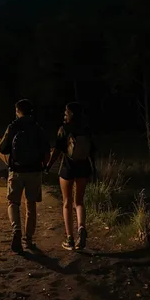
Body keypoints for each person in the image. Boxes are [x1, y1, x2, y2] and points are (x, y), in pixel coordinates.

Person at [0, 99, 50, 252]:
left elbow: (2, 148)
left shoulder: (13, 127)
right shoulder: (37, 128)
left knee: (13, 203)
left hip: (16, 170)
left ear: (18, 111)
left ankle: (16, 230)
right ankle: (28, 239)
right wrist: (44, 166)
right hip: (34, 171)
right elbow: (46, 151)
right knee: (31, 204)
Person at [46, 102, 97, 250]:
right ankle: (81, 227)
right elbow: (92, 151)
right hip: (84, 168)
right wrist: (93, 169)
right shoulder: (87, 129)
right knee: (79, 202)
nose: (64, 115)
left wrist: (48, 166)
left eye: (66, 112)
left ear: (71, 114)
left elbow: (56, 151)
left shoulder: (64, 129)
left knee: (67, 202)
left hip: (68, 168)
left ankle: (70, 239)